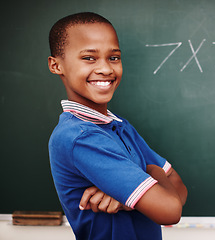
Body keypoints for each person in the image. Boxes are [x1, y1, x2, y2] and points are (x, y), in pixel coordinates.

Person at [48, 12, 187, 240]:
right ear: (56, 65)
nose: (106, 69)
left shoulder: (119, 126)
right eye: (89, 58)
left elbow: (180, 189)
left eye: (113, 57)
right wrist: (152, 172)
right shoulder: (80, 137)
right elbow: (170, 211)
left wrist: (126, 198)